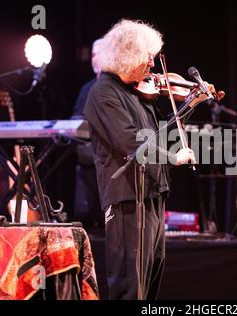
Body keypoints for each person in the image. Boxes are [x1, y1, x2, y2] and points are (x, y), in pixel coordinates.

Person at [83, 19, 196, 300]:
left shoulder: (137, 92)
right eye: (148, 58)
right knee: (129, 286)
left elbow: (161, 135)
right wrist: (174, 158)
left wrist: (191, 103)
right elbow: (130, 142)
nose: (152, 66)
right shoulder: (103, 93)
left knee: (151, 280)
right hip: (127, 199)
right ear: (129, 56)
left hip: (152, 193)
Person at [71, 38, 104, 227]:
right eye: (91, 54)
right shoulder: (87, 88)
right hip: (88, 151)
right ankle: (87, 215)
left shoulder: (116, 88)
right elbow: (76, 118)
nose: (93, 59)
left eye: (96, 54)